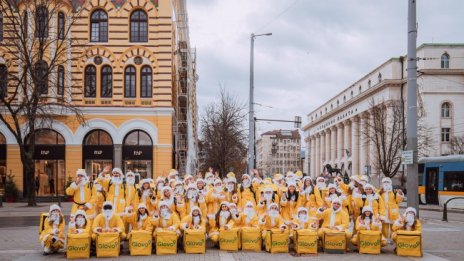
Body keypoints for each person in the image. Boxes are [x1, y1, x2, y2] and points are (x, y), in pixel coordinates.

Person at [379, 177, 404, 242]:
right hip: (384, 211)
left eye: (387, 182)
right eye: (384, 182)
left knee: (393, 226)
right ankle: (385, 239)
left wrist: (400, 194)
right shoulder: (380, 191)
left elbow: (398, 201)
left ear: (390, 183)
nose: (386, 184)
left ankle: (393, 238)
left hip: (393, 211)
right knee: (385, 226)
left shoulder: (394, 191)